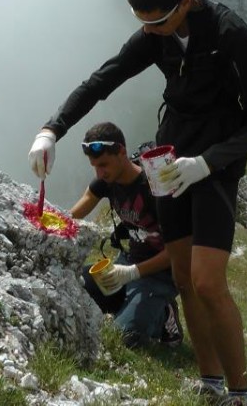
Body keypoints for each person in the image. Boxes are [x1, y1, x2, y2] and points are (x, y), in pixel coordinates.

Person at [29, 0, 247, 406]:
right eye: (142, 22)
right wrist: (52, 130)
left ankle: (241, 393)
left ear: (185, 3)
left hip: (213, 169)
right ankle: (210, 383)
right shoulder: (155, 33)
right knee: (183, 280)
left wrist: (207, 163)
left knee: (207, 282)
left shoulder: (231, 36)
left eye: (159, 21)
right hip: (166, 164)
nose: (151, 30)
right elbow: (103, 79)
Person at [69, 121, 183, 349]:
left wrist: (132, 273)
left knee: (125, 338)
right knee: (74, 288)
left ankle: (164, 314)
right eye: (94, 166)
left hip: (161, 275)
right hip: (128, 263)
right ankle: (128, 302)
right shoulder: (105, 182)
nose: (100, 172)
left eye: (104, 164)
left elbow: (177, 252)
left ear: (122, 152)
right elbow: (72, 216)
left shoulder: (154, 187)